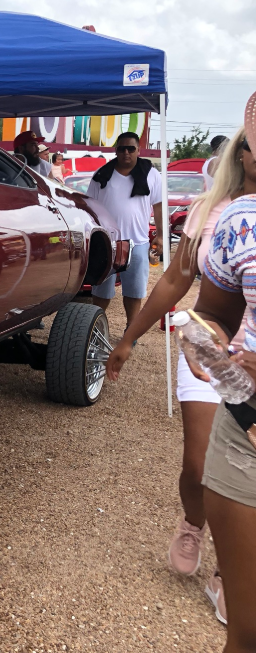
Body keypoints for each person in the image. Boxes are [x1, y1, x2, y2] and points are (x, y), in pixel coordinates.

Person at [108, 126, 256, 626]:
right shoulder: (214, 211)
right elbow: (175, 278)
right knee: (198, 465)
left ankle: (228, 573)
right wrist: (129, 339)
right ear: (243, 152)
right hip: (211, 352)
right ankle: (194, 521)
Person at [189, 125, 256, 649]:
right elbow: (215, 312)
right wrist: (206, 340)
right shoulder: (238, 220)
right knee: (247, 631)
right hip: (246, 425)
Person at [86, 132, 164, 331]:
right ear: (116, 151)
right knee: (101, 290)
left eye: (131, 148)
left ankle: (132, 329)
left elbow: (159, 207)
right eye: (122, 148)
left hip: (137, 242)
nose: (126, 153)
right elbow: (89, 208)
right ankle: (97, 328)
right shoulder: (101, 176)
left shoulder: (151, 174)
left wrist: (161, 235)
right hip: (107, 243)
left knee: (134, 291)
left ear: (139, 150)